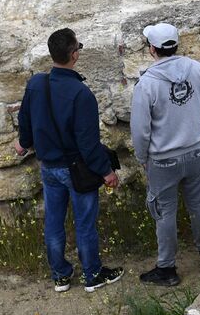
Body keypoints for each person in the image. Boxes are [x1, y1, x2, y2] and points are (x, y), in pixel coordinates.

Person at [17, 28, 122, 294]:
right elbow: (88, 143)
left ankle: (61, 276)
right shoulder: (81, 94)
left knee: (53, 222)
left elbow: (25, 120)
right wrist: (106, 171)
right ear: (74, 55)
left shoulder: (36, 84)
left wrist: (24, 142)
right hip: (76, 168)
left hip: (48, 167)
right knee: (84, 224)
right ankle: (92, 275)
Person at [131, 23, 200, 288]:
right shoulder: (196, 68)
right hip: (196, 150)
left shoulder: (147, 83)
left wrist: (142, 158)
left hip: (163, 158)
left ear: (152, 49)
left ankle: (167, 268)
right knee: (199, 203)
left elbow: (140, 130)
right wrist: (190, 111)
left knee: (165, 212)